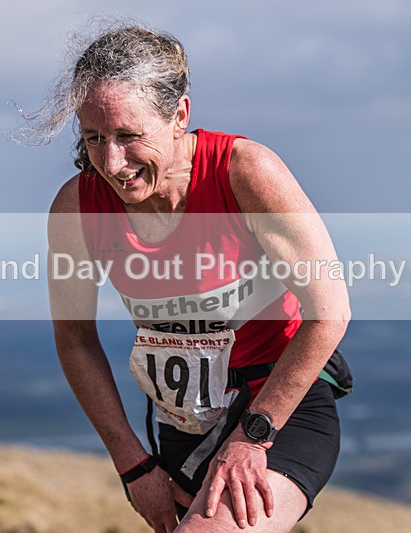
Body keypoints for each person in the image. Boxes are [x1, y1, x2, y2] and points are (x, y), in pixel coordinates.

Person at [38, 24, 351, 532]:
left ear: (179, 115)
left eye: (129, 136)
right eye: (94, 138)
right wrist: (133, 465)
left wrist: (252, 437)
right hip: (181, 420)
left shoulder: (246, 173)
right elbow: (74, 339)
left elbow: (330, 312)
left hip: (276, 405)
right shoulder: (77, 209)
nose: (113, 163)